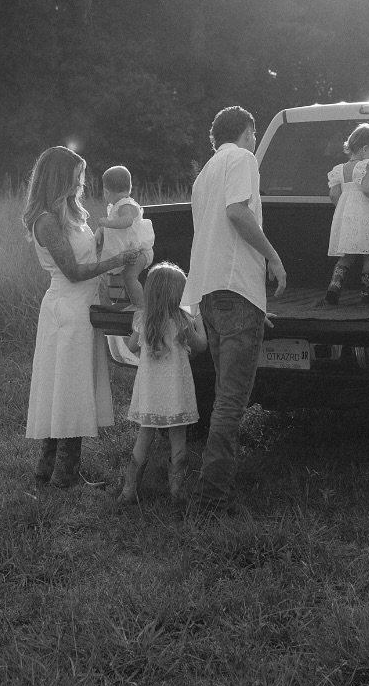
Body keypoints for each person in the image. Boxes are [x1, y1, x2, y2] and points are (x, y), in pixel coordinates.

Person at [182, 105, 286, 514]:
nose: (256, 142)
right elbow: (237, 213)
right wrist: (274, 259)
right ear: (247, 131)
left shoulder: (205, 172)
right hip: (232, 291)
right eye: (255, 134)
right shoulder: (242, 159)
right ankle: (211, 497)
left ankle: (210, 485)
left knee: (225, 394)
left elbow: (214, 234)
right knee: (230, 400)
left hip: (210, 293)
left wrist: (254, 306)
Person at [23, 145, 142, 488]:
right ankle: (66, 474)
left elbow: (88, 252)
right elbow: (73, 270)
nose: (80, 183)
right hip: (67, 307)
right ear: (59, 177)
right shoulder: (46, 220)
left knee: (67, 385)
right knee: (68, 387)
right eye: (75, 177)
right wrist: (116, 261)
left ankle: (48, 469)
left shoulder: (73, 214)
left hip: (83, 306)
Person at [117, 262, 208, 504]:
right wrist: (197, 317)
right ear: (178, 295)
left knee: (143, 437)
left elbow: (129, 349)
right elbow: (202, 346)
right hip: (176, 393)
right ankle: (177, 492)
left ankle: (128, 490)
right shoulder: (182, 322)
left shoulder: (144, 321)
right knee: (179, 437)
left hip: (149, 392)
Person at [322, 124, 369, 307]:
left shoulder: (338, 169)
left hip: (347, 219)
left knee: (347, 256)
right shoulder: (367, 165)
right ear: (365, 149)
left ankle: (333, 291)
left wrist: (344, 209)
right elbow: (366, 189)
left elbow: (333, 195)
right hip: (365, 216)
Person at [92, 165, 155, 307]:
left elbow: (126, 221)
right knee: (118, 276)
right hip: (130, 252)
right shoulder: (117, 206)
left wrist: (108, 223)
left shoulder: (127, 205)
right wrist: (100, 231)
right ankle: (122, 303)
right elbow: (108, 229)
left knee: (129, 276)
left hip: (141, 252)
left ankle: (140, 307)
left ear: (106, 192)